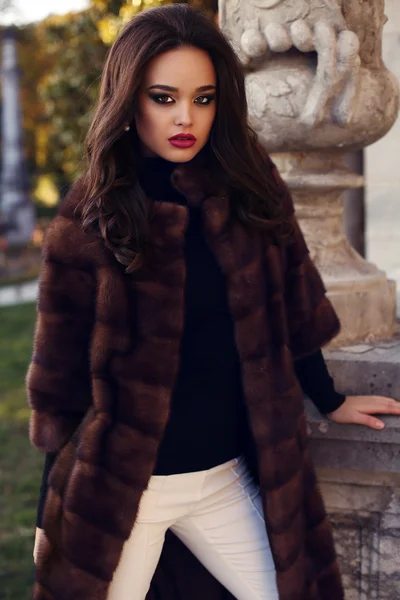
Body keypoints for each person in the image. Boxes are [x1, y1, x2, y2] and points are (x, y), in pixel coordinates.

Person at [27, 4, 400, 600]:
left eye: (203, 98)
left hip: (226, 479)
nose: (186, 117)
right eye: (164, 97)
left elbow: (293, 305)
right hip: (128, 494)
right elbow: (61, 380)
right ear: (130, 100)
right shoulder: (92, 215)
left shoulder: (249, 187)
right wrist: (55, 508)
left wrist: (329, 398)